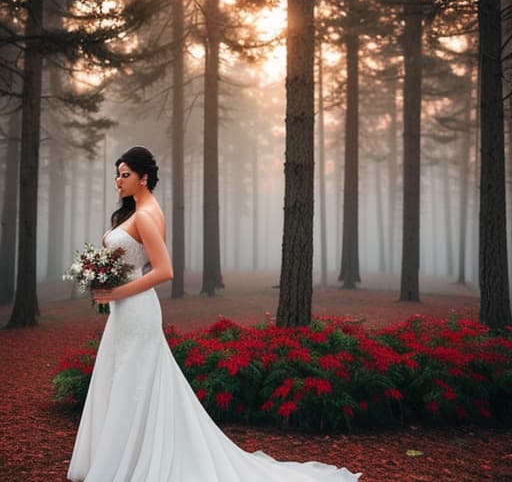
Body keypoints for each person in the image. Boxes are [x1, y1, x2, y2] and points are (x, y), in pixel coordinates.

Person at [67, 146, 361, 482]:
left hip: (135, 309)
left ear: (143, 178)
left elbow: (164, 271)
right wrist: (109, 276)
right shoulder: (139, 211)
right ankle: (123, 458)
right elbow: (140, 262)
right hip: (127, 309)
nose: (118, 181)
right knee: (125, 380)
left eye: (125, 174)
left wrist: (117, 290)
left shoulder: (147, 215)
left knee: (134, 382)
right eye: (117, 175)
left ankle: (130, 463)